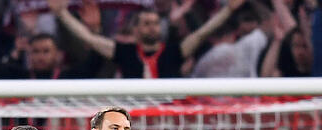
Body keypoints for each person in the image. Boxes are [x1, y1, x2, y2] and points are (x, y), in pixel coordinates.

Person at [47, 0, 245, 78]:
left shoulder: (174, 51)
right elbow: (89, 38)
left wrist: (228, 10)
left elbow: (201, 33)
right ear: (136, 29)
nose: (152, 27)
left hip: (170, 118)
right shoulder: (125, 52)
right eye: (146, 23)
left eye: (155, 23)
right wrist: (62, 14)